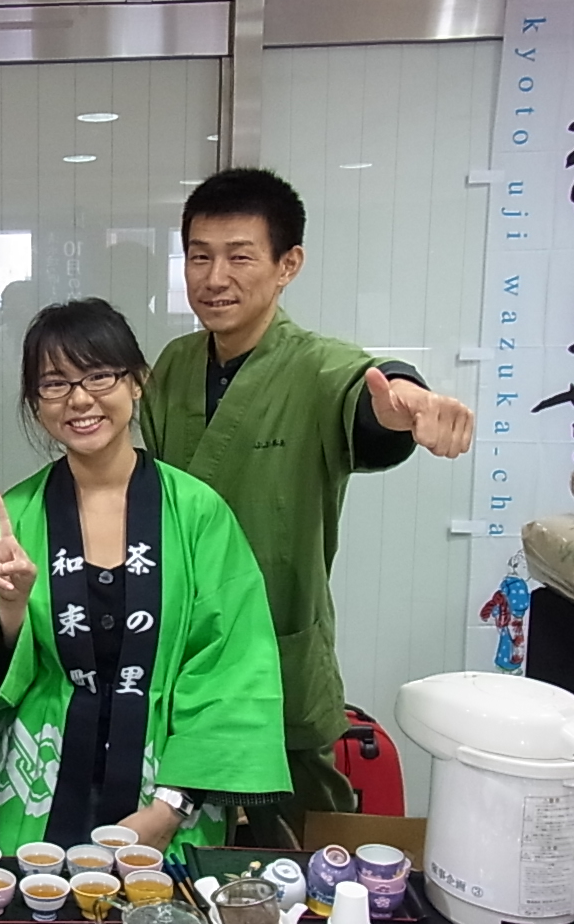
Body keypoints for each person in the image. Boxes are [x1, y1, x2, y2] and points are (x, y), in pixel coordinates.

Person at [141, 168, 474, 846]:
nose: (214, 277)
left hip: (278, 649)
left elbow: (371, 395)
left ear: (287, 265)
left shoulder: (319, 366)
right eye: (199, 256)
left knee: (305, 849)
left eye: (239, 256)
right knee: (174, 843)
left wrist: (406, 403)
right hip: (178, 647)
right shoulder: (174, 364)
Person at [0, 298, 290, 855]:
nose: (79, 399)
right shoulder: (15, 519)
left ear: (137, 382)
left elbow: (233, 667)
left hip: (165, 791)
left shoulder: (197, 514)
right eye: (55, 383)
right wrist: (11, 608)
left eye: (99, 375)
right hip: (38, 791)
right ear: (35, 403)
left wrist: (172, 806)